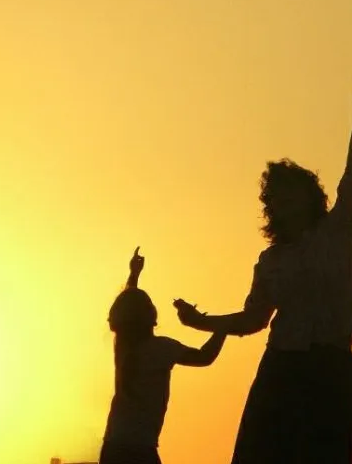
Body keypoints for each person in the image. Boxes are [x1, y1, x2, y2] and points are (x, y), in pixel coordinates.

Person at [175, 127, 352, 464]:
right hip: (280, 368)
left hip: (331, 367)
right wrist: (201, 321)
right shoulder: (271, 261)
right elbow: (254, 319)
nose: (281, 199)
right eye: (275, 195)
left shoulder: (338, 230)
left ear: (309, 195)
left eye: (289, 191)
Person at [99, 247, 226, 464]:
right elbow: (205, 357)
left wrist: (134, 275)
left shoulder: (122, 346)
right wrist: (223, 327)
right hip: (141, 449)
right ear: (152, 316)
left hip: (113, 446)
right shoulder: (162, 349)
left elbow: (129, 306)